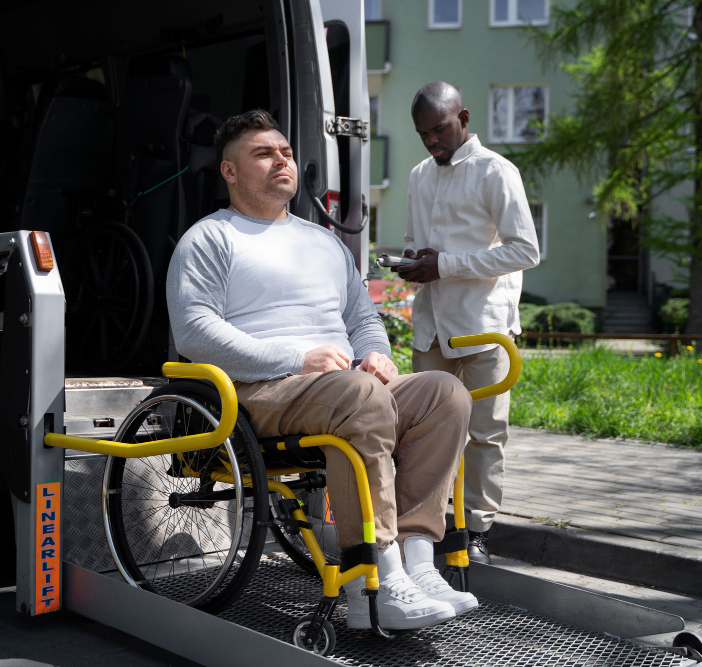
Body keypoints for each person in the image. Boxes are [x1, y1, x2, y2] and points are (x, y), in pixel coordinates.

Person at [166, 109, 477, 630]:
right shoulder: (210, 238)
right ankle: (370, 582)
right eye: (263, 154)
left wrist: (378, 352)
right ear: (230, 172)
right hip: (260, 390)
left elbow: (361, 318)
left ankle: (418, 561)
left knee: (445, 394)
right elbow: (195, 332)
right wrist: (296, 358)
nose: (280, 160)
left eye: (285, 152)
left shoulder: (323, 240)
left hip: (342, 386)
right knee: (358, 395)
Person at [397, 82, 540, 565]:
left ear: (464, 117)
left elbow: (526, 251)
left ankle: (476, 529)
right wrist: (412, 261)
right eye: (423, 135)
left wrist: (445, 265)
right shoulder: (419, 175)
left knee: (484, 432)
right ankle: (425, 527)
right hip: (432, 325)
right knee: (421, 433)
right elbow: (420, 242)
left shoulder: (496, 171)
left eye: (439, 130)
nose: (432, 142)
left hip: (484, 325)